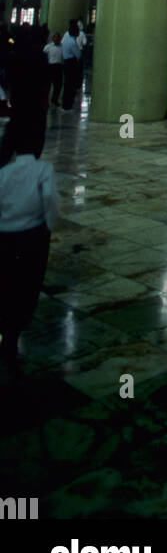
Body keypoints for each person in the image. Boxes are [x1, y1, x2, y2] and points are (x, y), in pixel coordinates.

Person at [0, 112, 58, 376]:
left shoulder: (4, 172)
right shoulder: (43, 169)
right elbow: (49, 200)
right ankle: (13, 332)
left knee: (6, 281)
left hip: (5, 237)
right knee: (26, 285)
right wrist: (49, 224)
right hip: (32, 237)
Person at [60, 18, 83, 112]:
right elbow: (78, 54)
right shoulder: (72, 42)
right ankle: (68, 105)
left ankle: (65, 105)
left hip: (66, 63)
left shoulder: (65, 40)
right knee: (71, 85)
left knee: (67, 84)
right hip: (71, 64)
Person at [43, 32, 63, 106]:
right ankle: (46, 100)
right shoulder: (48, 47)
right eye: (55, 37)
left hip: (58, 67)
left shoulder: (62, 47)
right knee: (48, 85)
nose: (56, 39)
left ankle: (55, 99)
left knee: (58, 85)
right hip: (50, 67)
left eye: (58, 37)